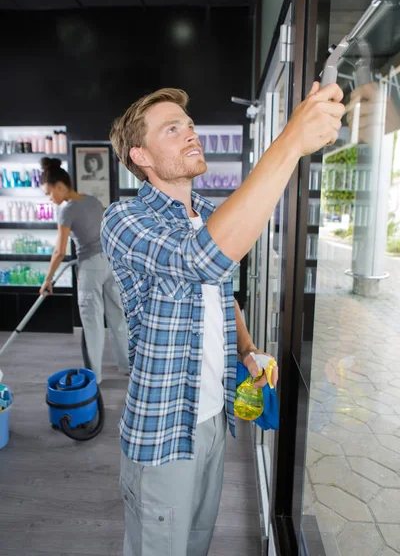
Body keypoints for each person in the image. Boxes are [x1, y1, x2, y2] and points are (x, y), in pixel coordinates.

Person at [101, 83, 344, 556]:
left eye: (189, 126)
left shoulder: (210, 212)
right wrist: (290, 141)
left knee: (195, 543)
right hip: (164, 427)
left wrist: (248, 349)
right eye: (171, 130)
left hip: (214, 418)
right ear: (141, 155)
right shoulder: (124, 219)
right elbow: (201, 261)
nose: (191, 135)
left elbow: (220, 294)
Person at [39, 157, 129, 383]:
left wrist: (48, 279)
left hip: (90, 267)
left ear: (60, 186)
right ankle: (128, 366)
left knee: (93, 323)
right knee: (118, 317)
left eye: (50, 193)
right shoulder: (93, 201)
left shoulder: (67, 210)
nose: (51, 199)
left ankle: (94, 376)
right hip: (111, 263)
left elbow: (59, 251)